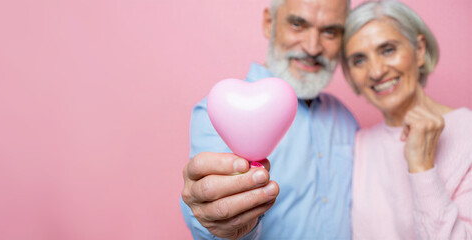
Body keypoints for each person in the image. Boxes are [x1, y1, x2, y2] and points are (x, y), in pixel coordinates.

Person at [181, 0, 358, 239]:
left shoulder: (346, 119)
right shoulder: (217, 114)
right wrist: (217, 224)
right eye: (298, 24)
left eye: (330, 31)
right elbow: (209, 222)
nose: (313, 47)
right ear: (269, 23)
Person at [340, 1, 472, 239]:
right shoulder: (359, 143)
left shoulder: (467, 133)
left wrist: (422, 168)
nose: (376, 71)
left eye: (388, 49)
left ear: (419, 51)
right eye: (359, 60)